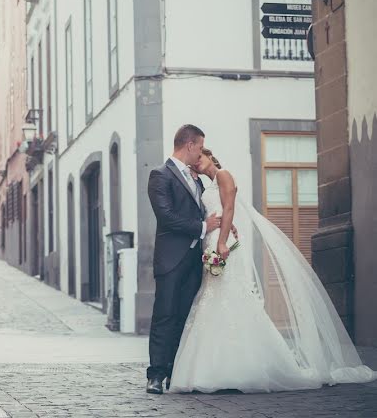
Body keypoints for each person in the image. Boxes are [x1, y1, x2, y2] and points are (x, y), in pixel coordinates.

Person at [169, 147, 377, 393]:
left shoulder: (224, 174)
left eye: (200, 158)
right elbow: (218, 212)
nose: (197, 163)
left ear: (210, 156)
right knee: (213, 299)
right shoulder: (206, 183)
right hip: (211, 241)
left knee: (231, 296)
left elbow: (229, 209)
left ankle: (237, 369)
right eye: (195, 163)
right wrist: (222, 230)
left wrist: (223, 240)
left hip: (222, 244)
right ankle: (214, 368)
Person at [145, 124, 221, 394]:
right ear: (189, 145)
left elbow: (209, 210)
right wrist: (204, 227)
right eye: (200, 147)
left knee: (186, 318)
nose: (201, 152)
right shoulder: (160, 175)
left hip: (195, 259)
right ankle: (156, 375)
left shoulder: (197, 179)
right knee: (165, 316)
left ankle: (177, 372)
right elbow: (166, 216)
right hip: (170, 260)